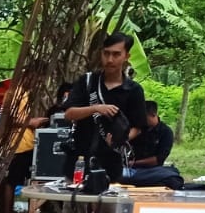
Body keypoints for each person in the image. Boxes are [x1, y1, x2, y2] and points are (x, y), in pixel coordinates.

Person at [63, 31, 146, 178]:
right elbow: (69, 114)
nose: (110, 59)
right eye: (106, 53)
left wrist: (119, 140)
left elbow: (138, 127)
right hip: (79, 159)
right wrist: (95, 108)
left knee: (107, 200)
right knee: (76, 199)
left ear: (126, 57)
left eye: (116, 54)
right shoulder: (87, 82)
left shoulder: (134, 90)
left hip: (111, 161)